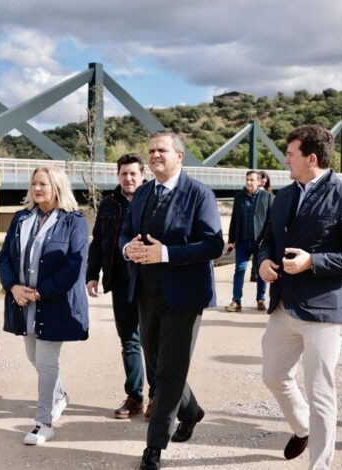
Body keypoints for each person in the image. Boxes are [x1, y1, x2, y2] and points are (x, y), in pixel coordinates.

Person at [257, 124, 342, 469]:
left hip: (323, 310)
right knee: (272, 375)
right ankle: (303, 427)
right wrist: (263, 260)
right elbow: (267, 239)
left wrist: (314, 262)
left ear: (311, 158)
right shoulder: (283, 195)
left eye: (291, 154)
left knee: (321, 392)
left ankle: (319, 465)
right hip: (283, 304)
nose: (285, 159)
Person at [119, 132, 224, 470]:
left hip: (184, 296)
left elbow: (213, 245)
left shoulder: (199, 194)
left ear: (180, 156)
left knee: (169, 371)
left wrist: (164, 253)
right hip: (146, 293)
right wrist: (127, 248)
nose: (154, 155)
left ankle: (154, 448)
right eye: (150, 150)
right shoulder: (144, 193)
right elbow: (125, 231)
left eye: (161, 150)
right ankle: (191, 411)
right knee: (158, 367)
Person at [0, 165, 89, 446]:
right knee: (33, 357)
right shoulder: (22, 218)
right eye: (34, 183)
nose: (37, 189)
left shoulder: (74, 222)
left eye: (43, 185)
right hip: (23, 303)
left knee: (47, 363)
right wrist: (13, 287)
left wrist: (38, 293)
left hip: (54, 304)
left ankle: (43, 423)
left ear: (57, 187)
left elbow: (74, 266)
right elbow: (4, 258)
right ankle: (59, 396)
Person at [86, 153, 156, 420]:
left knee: (151, 341)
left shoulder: (152, 200)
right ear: (118, 176)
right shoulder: (108, 204)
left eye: (133, 174)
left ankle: (156, 397)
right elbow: (98, 242)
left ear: (142, 175)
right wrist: (92, 275)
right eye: (124, 174)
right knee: (129, 340)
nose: (128, 178)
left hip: (149, 282)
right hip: (119, 281)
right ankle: (134, 397)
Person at [225, 170, 274, 312]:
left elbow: (271, 221)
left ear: (259, 182)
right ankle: (236, 301)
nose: (248, 182)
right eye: (247, 179)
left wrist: (266, 239)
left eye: (252, 180)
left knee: (261, 272)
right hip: (242, 242)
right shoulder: (239, 197)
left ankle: (260, 299)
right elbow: (234, 219)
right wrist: (231, 240)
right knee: (239, 269)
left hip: (260, 242)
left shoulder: (268, 197)